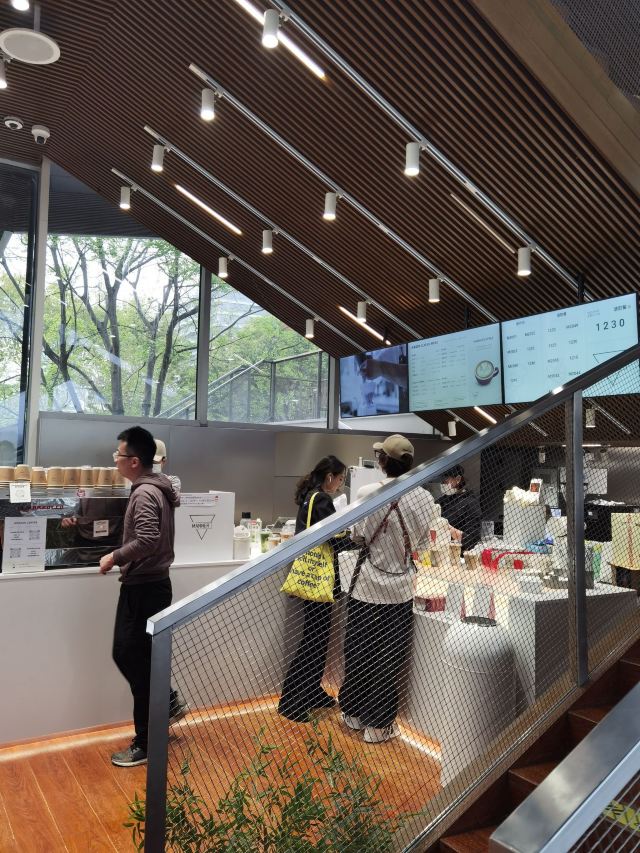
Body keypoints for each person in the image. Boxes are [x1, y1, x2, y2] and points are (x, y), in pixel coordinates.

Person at [339, 434, 449, 744]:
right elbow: (424, 545)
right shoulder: (424, 499)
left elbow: (356, 536)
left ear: (383, 461)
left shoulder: (367, 492)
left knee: (358, 651)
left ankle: (353, 713)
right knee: (388, 658)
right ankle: (378, 725)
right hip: (400, 590)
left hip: (365, 588)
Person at [99, 426, 182, 767]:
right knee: (139, 659)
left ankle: (147, 741)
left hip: (145, 587)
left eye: (118, 455)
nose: (115, 461)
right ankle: (164, 708)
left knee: (131, 657)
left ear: (134, 461)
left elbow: (147, 538)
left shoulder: (145, 493)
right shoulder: (154, 488)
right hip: (151, 585)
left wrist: (114, 557)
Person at [278, 455, 348, 723]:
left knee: (316, 638)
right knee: (314, 640)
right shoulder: (321, 500)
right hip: (319, 579)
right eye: (340, 479)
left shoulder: (310, 496)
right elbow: (335, 537)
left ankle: (311, 691)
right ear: (330, 476)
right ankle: (292, 702)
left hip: (311, 578)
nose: (340, 485)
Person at [436, 465, 481, 553]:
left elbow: (472, 539)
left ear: (458, 479)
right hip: (440, 549)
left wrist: (449, 529)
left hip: (460, 553)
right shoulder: (443, 500)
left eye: (445, 481)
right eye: (442, 481)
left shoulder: (471, 502)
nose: (443, 484)